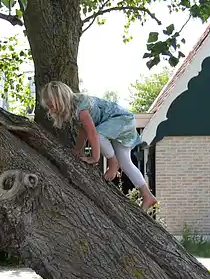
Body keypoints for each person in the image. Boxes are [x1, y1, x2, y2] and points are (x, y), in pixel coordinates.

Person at [39, 81, 158, 211]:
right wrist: (77, 150)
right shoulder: (74, 110)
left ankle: (113, 163)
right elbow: (83, 132)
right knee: (126, 163)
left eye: (51, 106)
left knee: (99, 135)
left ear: (61, 100)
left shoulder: (81, 109)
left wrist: (95, 158)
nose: (50, 110)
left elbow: (92, 134)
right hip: (120, 124)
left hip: (122, 120)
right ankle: (147, 196)